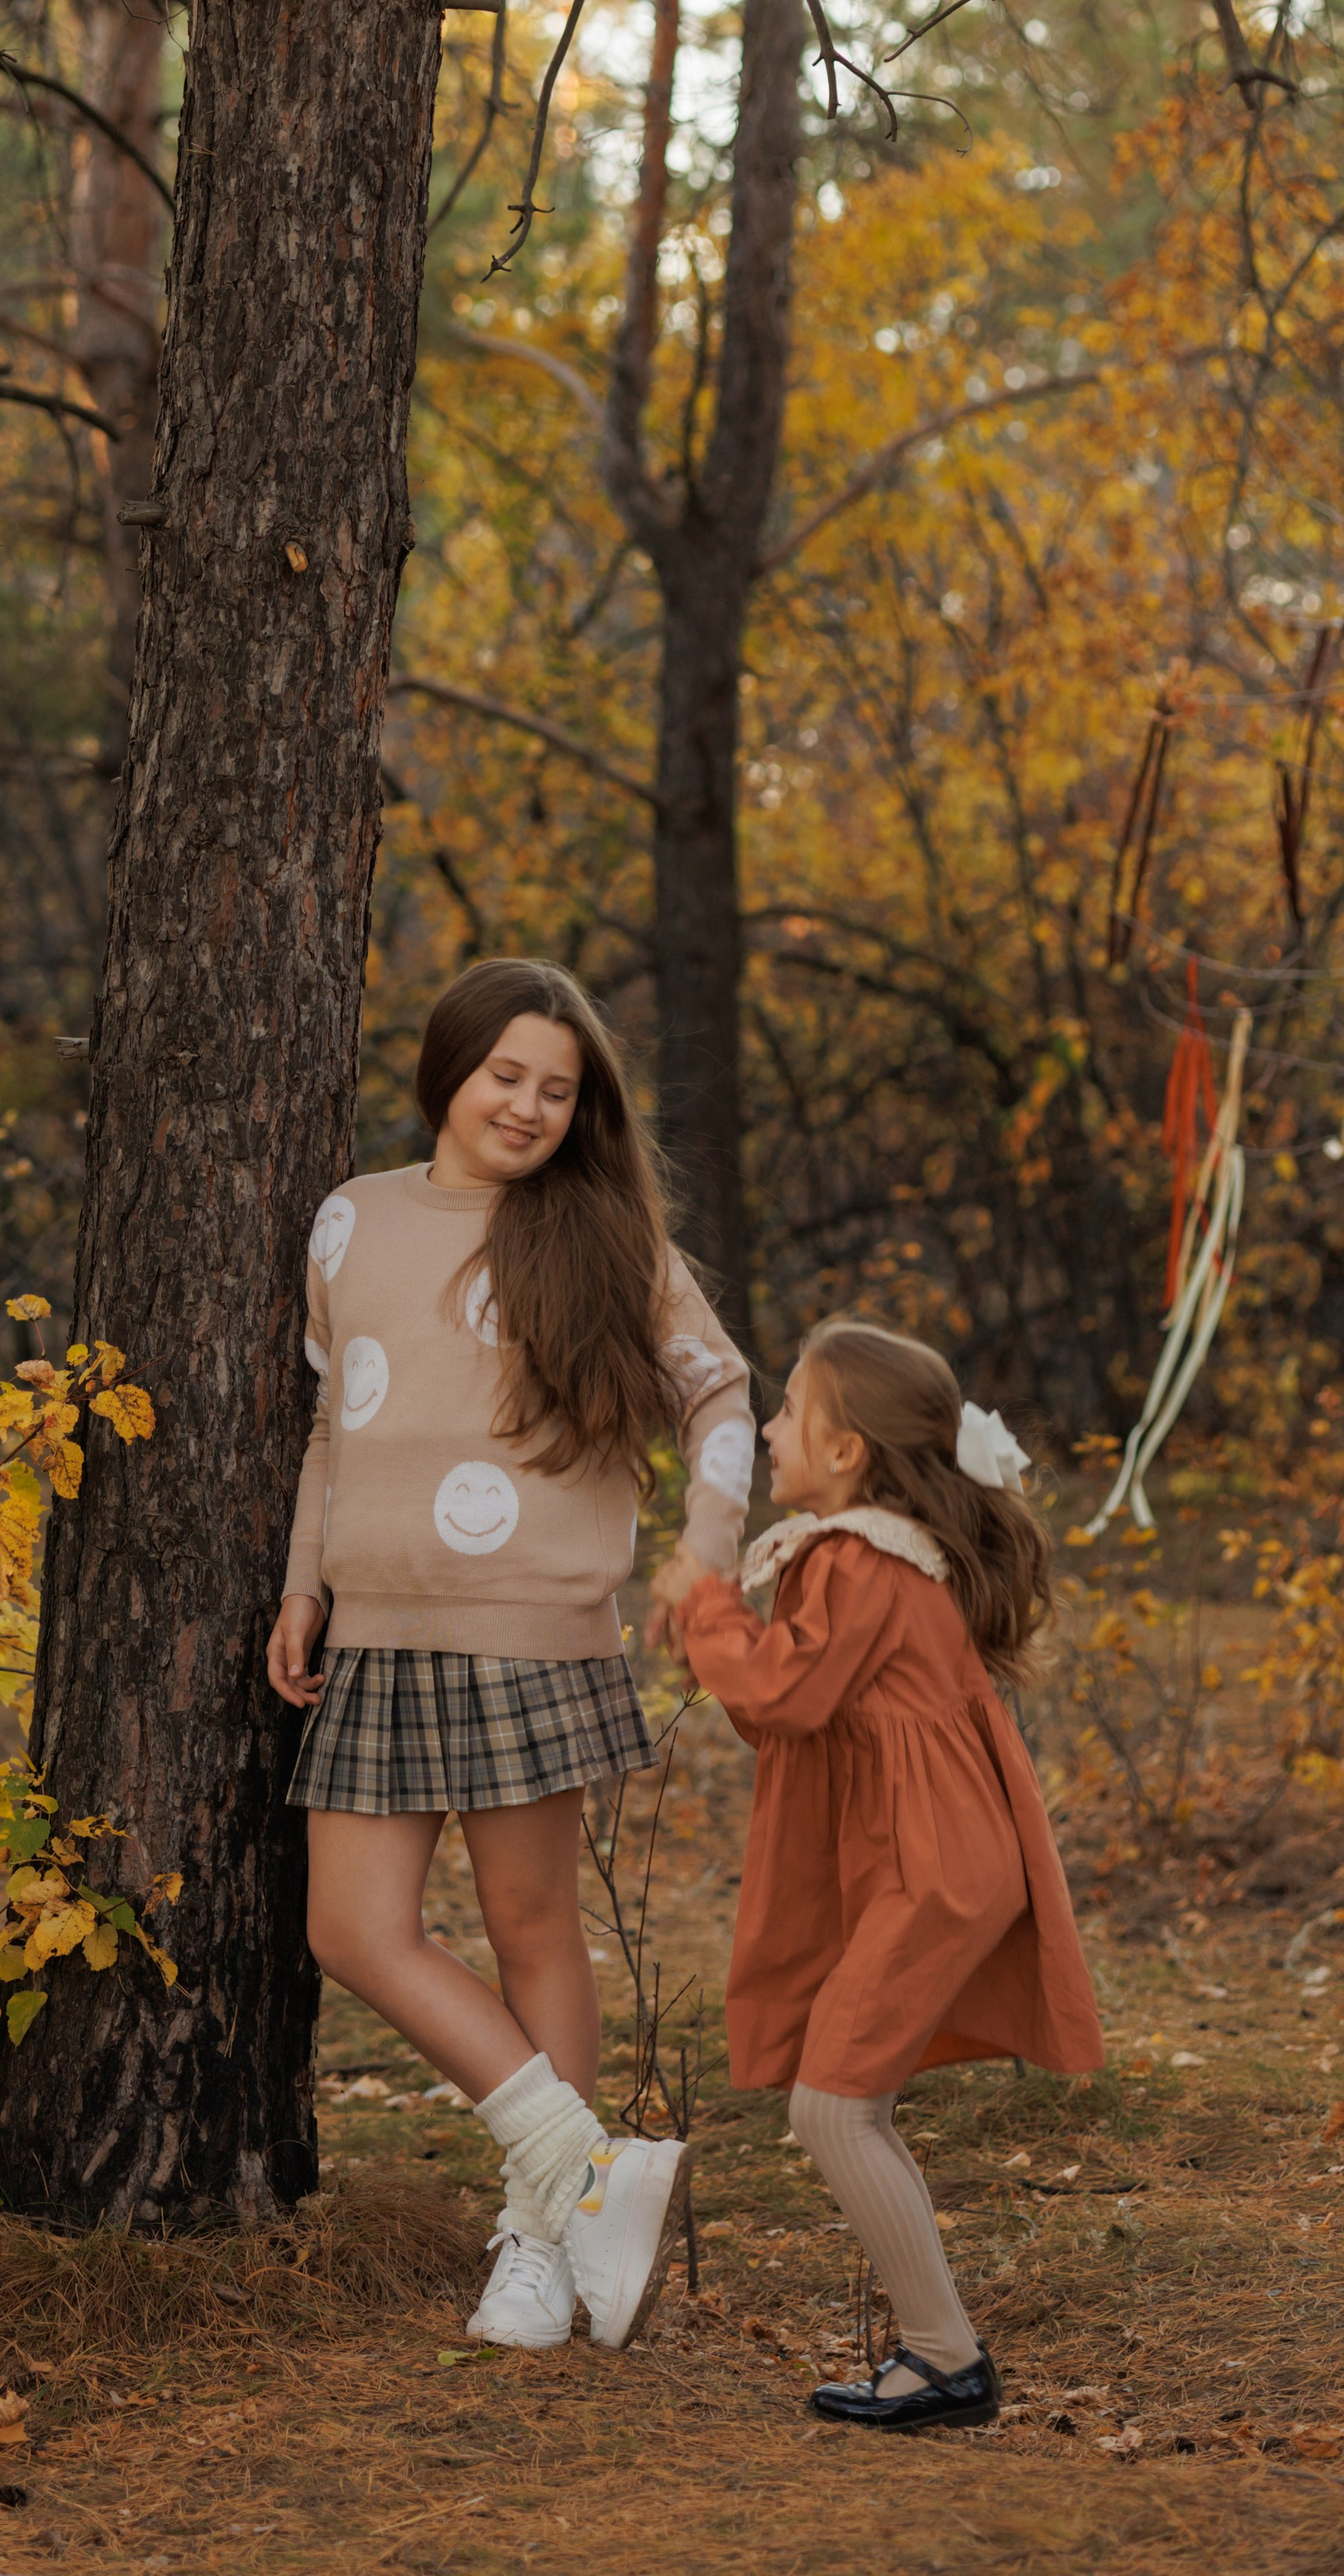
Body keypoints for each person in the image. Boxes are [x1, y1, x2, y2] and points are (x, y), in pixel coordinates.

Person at [267, 958, 755, 2353]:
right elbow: (327, 1430)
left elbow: (720, 1393)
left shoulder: (599, 1241)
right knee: (351, 1929)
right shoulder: (351, 1222)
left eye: (558, 1088)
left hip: (530, 1634)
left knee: (534, 1926)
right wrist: (303, 1587)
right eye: (507, 1077)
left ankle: (544, 2243)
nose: (530, 1107)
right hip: (375, 1630)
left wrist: (707, 1544)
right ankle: (585, 2164)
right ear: (450, 1073)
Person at [656, 1316, 1104, 2433]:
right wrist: (727, 1637)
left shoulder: (857, 1557)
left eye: (788, 1411)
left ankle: (948, 2363)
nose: (766, 1429)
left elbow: (780, 1698)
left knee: (835, 2108)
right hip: (931, 1853)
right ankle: (942, 2356)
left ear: (848, 1450)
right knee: (842, 2104)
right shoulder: (870, 1553)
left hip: (931, 1865)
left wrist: (704, 1605)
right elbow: (798, 1718)